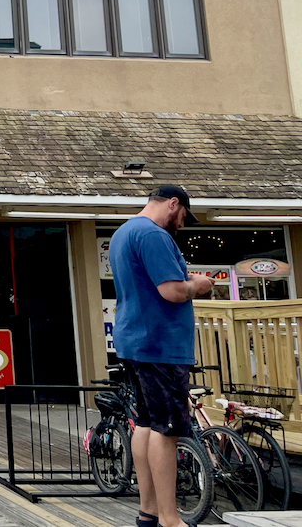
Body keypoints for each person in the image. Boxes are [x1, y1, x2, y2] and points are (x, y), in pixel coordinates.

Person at [110, 186, 212, 527]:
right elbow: (171, 291)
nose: (182, 223)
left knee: (145, 424)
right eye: (183, 215)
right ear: (173, 204)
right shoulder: (153, 235)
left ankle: (149, 512)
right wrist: (198, 284)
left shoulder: (124, 232)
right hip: (160, 344)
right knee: (167, 430)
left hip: (135, 341)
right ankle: (170, 518)